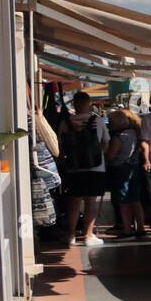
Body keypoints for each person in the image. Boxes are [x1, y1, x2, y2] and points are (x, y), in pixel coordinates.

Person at [58, 91, 110, 246]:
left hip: (73, 168)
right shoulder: (97, 121)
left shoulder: (65, 123)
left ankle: (71, 235)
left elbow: (60, 147)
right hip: (95, 167)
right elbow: (105, 143)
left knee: (74, 202)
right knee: (90, 201)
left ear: (74, 104)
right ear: (89, 103)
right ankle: (88, 235)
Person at [105, 108, 145, 239]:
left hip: (121, 170)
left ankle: (127, 230)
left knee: (123, 202)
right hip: (134, 168)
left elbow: (111, 156)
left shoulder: (118, 137)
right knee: (136, 200)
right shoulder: (134, 133)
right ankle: (140, 228)